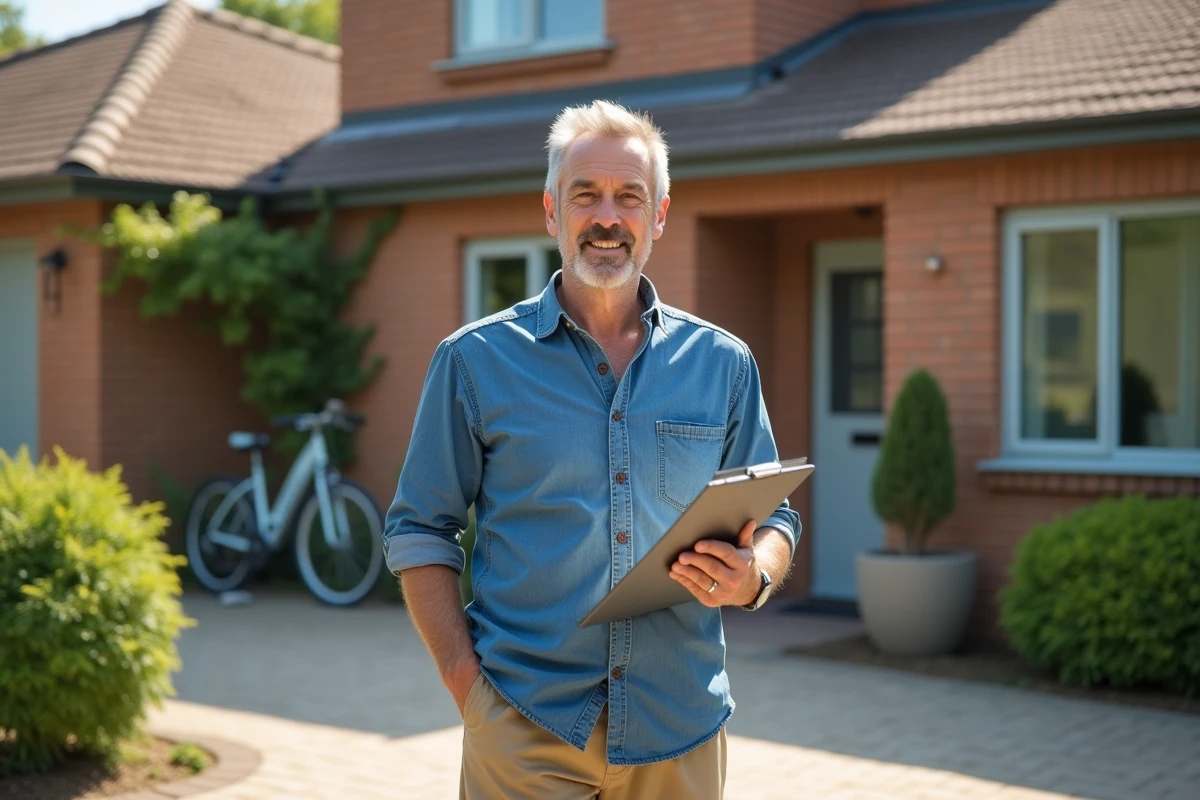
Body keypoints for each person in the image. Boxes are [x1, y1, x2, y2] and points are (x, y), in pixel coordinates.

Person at [384, 99, 800, 800]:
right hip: (525, 724)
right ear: (552, 211)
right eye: (586, 195)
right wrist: (467, 689)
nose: (608, 216)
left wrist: (754, 574)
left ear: (659, 216)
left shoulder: (723, 363)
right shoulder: (474, 362)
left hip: (680, 728)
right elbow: (419, 528)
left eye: (629, 197)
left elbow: (776, 513)